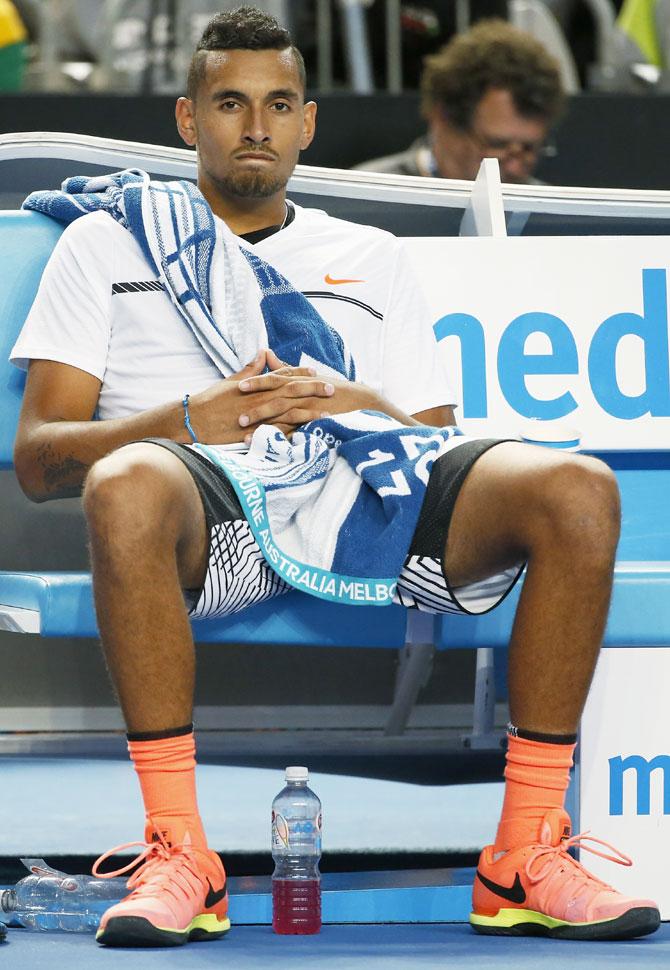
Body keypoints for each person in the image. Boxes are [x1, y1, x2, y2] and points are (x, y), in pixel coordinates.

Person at [10, 3, 659, 950]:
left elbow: (428, 455)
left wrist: (352, 400)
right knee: (129, 481)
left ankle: (523, 851)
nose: (257, 126)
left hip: (359, 498)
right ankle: (181, 853)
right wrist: (191, 420)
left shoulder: (371, 255)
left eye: (279, 104)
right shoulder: (105, 244)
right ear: (189, 120)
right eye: (231, 102)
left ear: (310, 122)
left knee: (577, 487)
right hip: (204, 510)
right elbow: (39, 461)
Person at [355, 19, 564, 185]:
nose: (515, 169)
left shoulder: (552, 215)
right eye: (497, 145)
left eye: (529, 149)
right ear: (442, 117)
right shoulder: (366, 196)